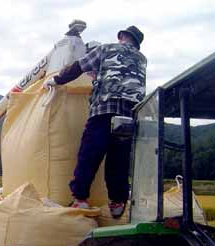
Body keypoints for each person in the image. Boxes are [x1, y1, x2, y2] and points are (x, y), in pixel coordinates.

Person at [44, 25, 147, 218]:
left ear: (121, 36)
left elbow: (78, 67)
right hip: (129, 116)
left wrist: (57, 80)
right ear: (137, 43)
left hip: (104, 110)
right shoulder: (142, 60)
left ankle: (80, 198)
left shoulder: (107, 49)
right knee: (119, 160)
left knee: (90, 154)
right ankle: (117, 201)